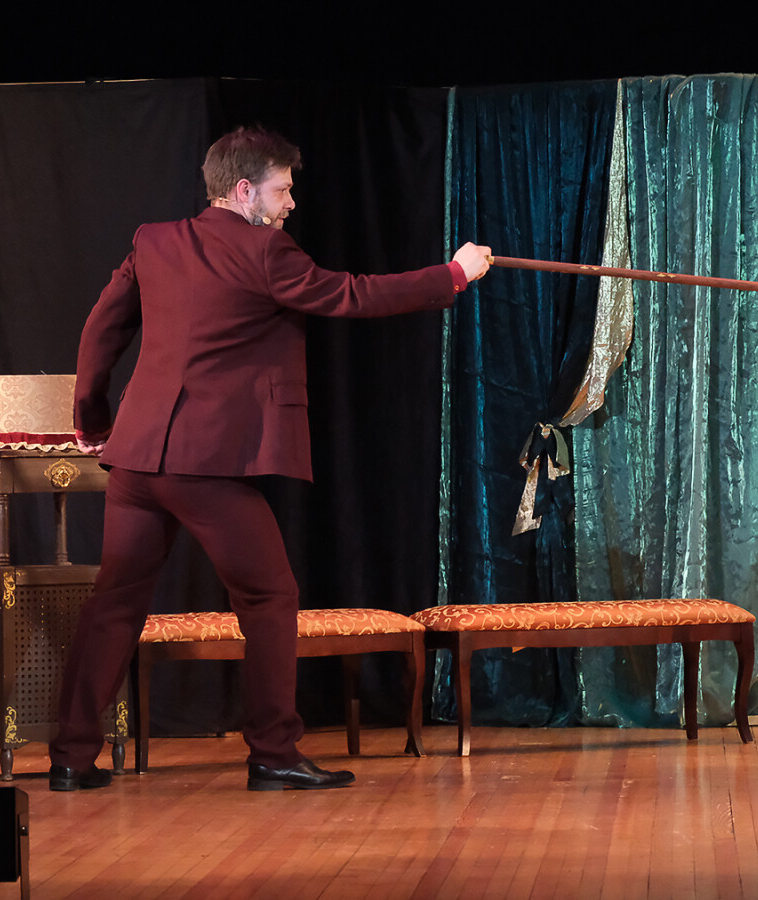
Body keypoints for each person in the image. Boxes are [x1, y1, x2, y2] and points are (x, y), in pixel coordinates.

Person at [50, 126, 492, 792]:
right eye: (282, 190)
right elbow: (354, 294)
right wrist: (454, 274)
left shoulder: (154, 240)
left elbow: (101, 327)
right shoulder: (265, 251)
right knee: (269, 594)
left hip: (138, 459)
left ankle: (71, 757)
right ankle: (273, 752)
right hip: (202, 464)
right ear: (244, 190)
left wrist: (91, 417)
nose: (290, 204)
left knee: (115, 602)